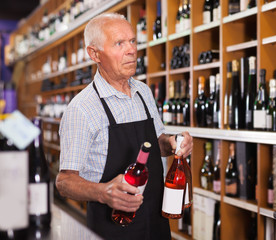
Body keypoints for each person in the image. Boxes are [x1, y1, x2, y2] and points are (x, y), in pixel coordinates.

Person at [55, 13, 193, 240]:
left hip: (157, 224)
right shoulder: (82, 108)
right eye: (119, 43)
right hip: (111, 230)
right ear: (94, 54)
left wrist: (172, 142)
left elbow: (156, 143)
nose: (131, 50)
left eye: (132, 41)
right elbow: (64, 181)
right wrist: (104, 192)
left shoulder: (143, 92)